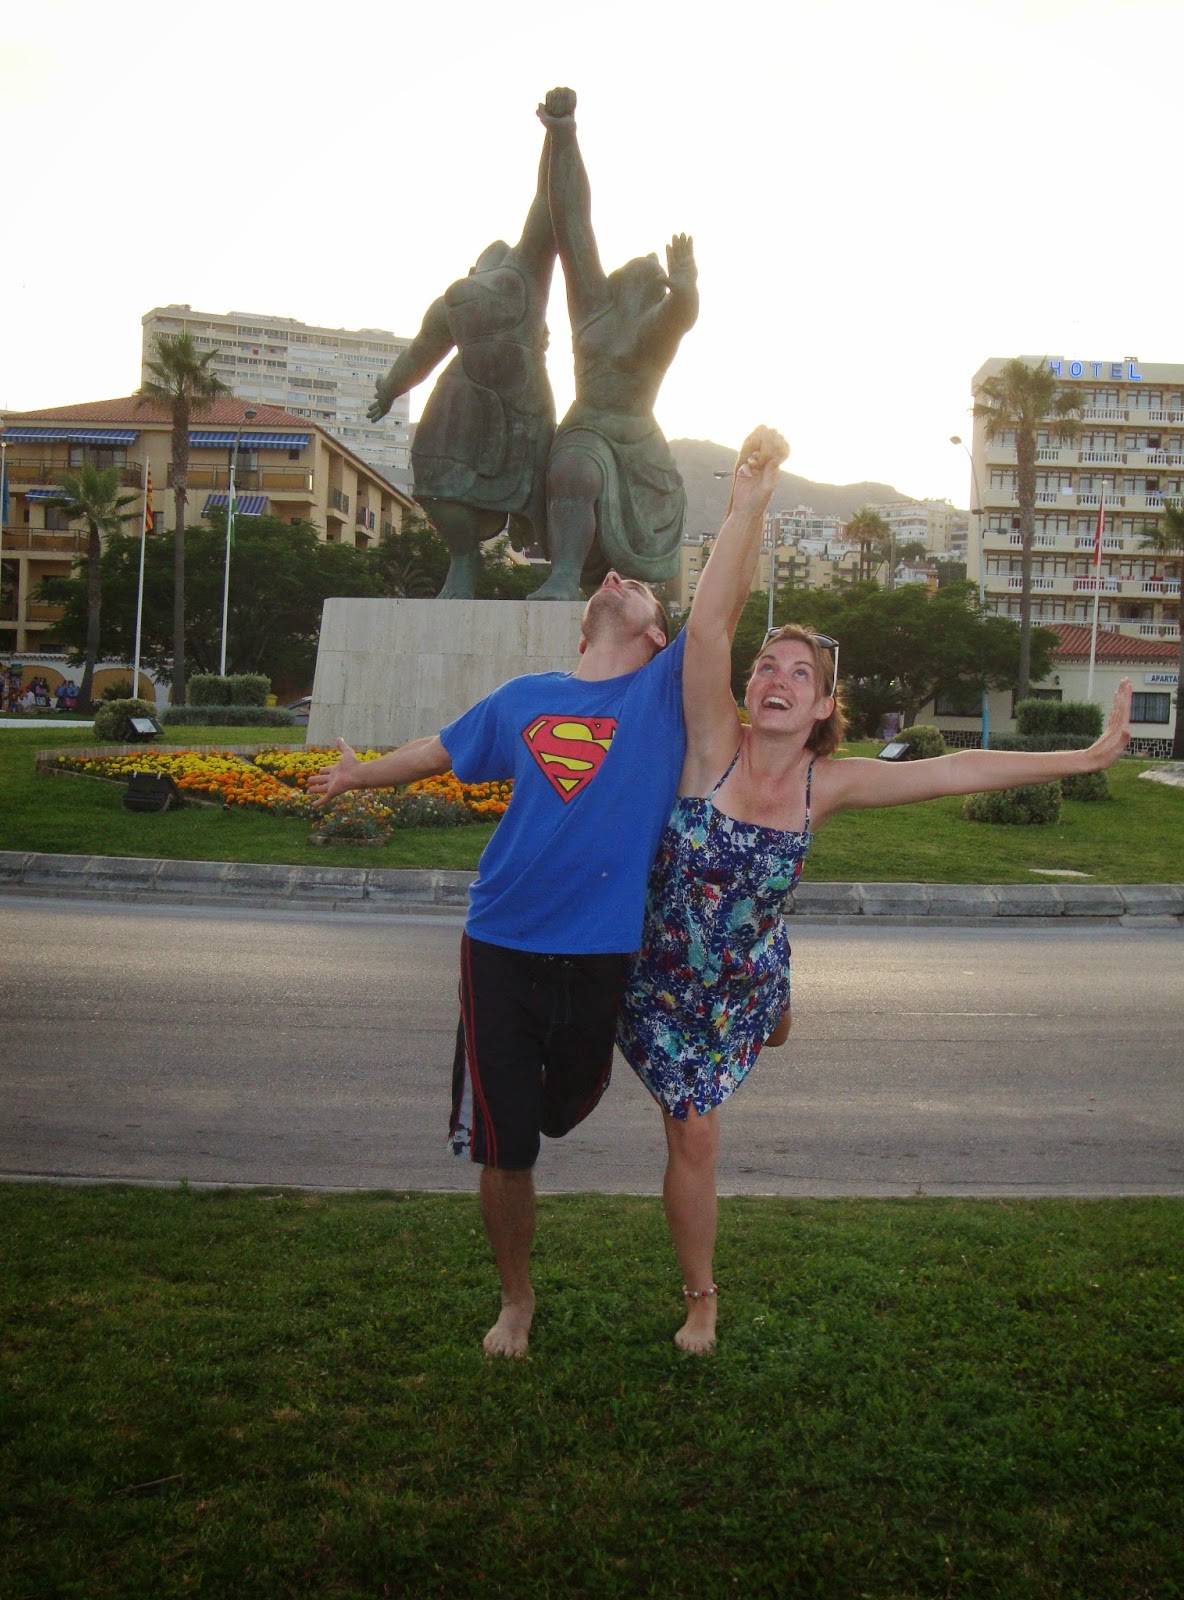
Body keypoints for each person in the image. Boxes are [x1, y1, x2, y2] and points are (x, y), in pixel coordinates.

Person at [618, 433, 1135, 1355]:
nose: (777, 678)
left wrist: (1081, 756)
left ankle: (773, 1008)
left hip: (750, 971)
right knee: (693, 1137)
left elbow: (954, 770)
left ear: (823, 707)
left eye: (801, 673)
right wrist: (748, 505)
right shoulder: (712, 744)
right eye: (768, 666)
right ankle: (702, 1298)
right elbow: (709, 629)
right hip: (665, 989)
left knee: (769, 1014)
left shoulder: (829, 783)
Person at [308, 431, 781, 1358]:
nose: (619, 576)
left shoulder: (660, 695)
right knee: (507, 1142)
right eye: (614, 580)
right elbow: (442, 750)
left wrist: (749, 501)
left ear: (655, 633)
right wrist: (361, 774)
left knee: (562, 1108)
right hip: (501, 942)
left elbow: (721, 608)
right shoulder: (526, 696)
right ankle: (515, 1300)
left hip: (602, 956)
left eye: (638, 586)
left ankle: (540, 1124)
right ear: (586, 627)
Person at [365, 109, 559, 598]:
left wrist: (557, 136)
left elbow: (546, 204)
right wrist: (390, 388)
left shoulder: (525, 276)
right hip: (460, 401)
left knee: (540, 485)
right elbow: (422, 351)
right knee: (434, 479)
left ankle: (550, 554)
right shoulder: (453, 302)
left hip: (521, 399)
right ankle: (464, 560)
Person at [528, 89, 699, 599]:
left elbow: (681, 317)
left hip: (637, 439)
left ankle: (638, 607)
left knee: (645, 566)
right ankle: (564, 576)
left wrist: (686, 290)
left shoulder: (653, 332)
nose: (645, 262)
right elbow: (572, 221)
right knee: (573, 471)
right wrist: (564, 136)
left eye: (654, 274)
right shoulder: (593, 306)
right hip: (587, 426)